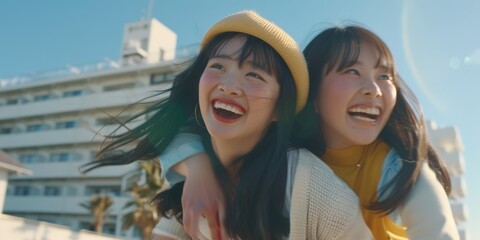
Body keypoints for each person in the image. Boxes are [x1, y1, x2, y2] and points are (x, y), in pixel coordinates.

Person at [81, 11, 373, 240]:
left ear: (279, 109)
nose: (229, 85)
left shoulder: (316, 192)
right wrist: (196, 170)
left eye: (255, 75)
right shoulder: (195, 184)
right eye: (218, 66)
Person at [160, 24, 460, 240]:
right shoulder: (282, 149)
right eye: (352, 72)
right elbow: (185, 130)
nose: (374, 90)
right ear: (311, 95)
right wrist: (198, 169)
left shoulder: (400, 168)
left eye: (384, 76)